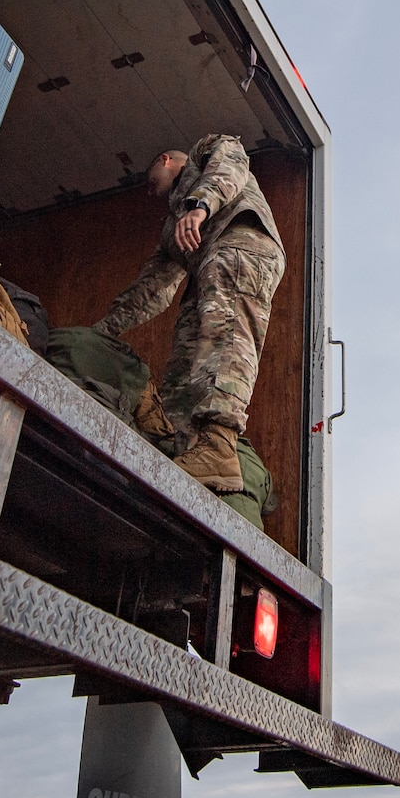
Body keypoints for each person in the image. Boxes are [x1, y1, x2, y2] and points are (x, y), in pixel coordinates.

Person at [97, 135, 283, 529]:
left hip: (241, 244)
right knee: (181, 365)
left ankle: (218, 441)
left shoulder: (206, 151)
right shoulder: (173, 229)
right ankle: (193, 458)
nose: (149, 190)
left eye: (151, 178)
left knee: (225, 334)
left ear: (166, 160)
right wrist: (102, 330)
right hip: (207, 268)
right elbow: (152, 289)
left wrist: (200, 207)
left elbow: (231, 166)